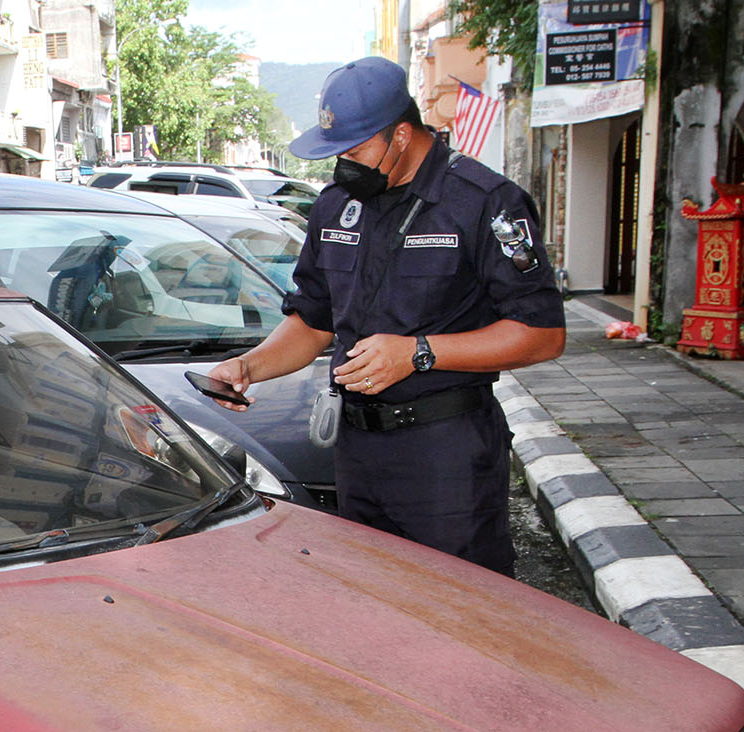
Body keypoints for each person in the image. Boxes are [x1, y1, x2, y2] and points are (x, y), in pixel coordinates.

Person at [209, 57, 565, 575]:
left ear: (400, 135)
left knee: (460, 609)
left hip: (446, 452)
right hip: (358, 453)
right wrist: (250, 367)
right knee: (375, 604)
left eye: (354, 151)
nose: (343, 166)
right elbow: (313, 322)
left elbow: (542, 335)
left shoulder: (483, 202)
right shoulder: (337, 206)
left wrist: (419, 353)